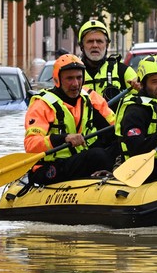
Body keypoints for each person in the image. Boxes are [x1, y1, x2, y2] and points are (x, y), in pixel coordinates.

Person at [24, 54, 118, 185]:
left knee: (119, 145)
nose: (75, 84)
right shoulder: (42, 104)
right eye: (69, 78)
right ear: (58, 80)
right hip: (50, 166)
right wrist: (64, 138)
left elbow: (116, 128)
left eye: (79, 78)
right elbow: (31, 144)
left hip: (79, 159)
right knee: (97, 156)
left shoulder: (90, 97)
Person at [77, 19, 139, 101]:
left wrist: (140, 88)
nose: (95, 45)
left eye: (99, 41)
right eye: (90, 41)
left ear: (107, 45)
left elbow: (143, 100)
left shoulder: (122, 71)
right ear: (82, 45)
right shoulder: (73, 73)